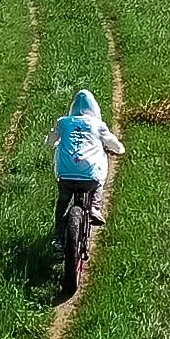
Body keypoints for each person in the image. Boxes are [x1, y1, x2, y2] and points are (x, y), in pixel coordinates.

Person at [45, 88, 124, 248]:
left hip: (65, 174)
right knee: (99, 179)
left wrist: (55, 143)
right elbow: (116, 146)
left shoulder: (63, 122)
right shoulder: (98, 125)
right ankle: (95, 207)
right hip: (89, 176)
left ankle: (58, 238)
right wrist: (118, 150)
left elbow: (49, 141)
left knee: (62, 202)